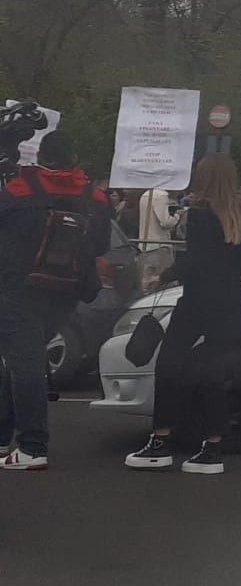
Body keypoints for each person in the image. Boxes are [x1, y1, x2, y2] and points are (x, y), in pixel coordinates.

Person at [125, 153, 241, 474]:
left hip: (199, 300)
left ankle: (161, 440)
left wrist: (163, 276)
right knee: (215, 373)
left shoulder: (201, 215)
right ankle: (213, 446)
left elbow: (195, 261)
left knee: (169, 365)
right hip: (231, 302)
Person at [0, 130, 110, 470]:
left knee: (24, 365)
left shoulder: (20, 189)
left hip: (20, 289)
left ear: (41, 158)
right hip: (65, 291)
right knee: (18, 361)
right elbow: (101, 245)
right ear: (74, 158)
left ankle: (33, 447)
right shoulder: (96, 197)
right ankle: (4, 439)